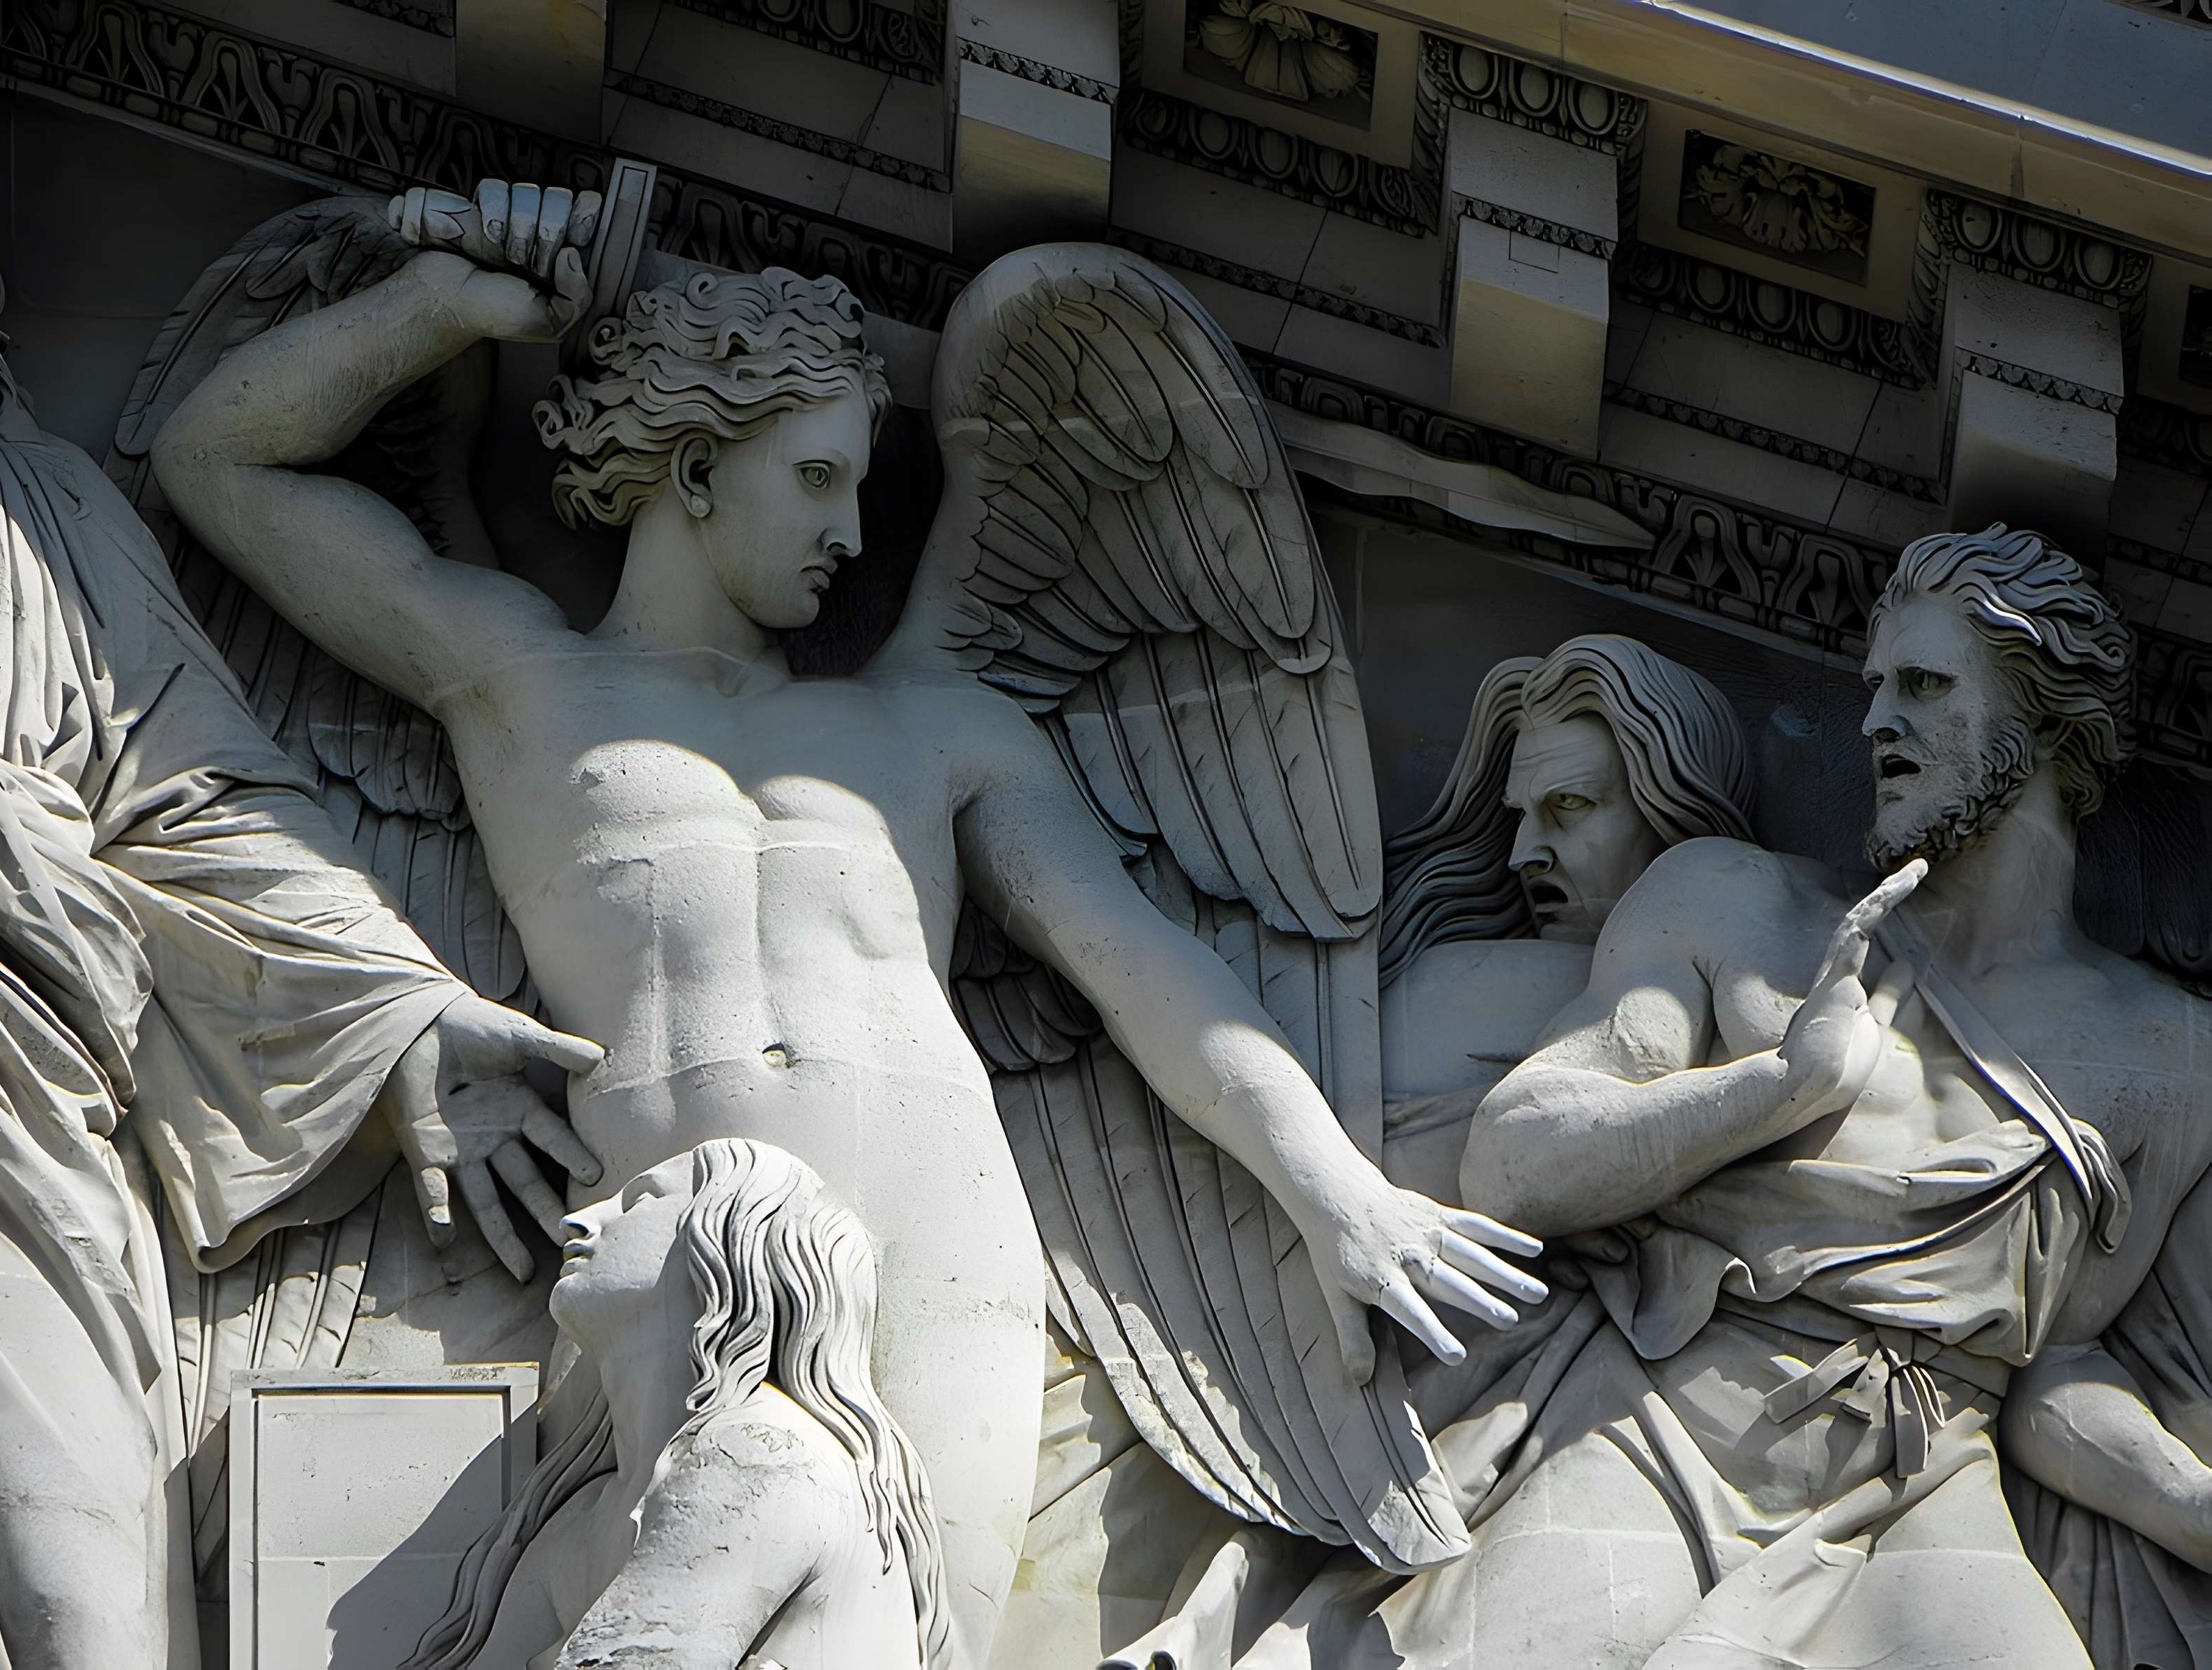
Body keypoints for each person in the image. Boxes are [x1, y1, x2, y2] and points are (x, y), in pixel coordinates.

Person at [148, 192, 1544, 1662]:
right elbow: (214, 457)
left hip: (937, 1233)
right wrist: (452, 305)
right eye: (815, 478)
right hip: (671, 1260)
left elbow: (1153, 975)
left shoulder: (932, 722)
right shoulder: (514, 673)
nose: (852, 530)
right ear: (691, 468)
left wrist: (1338, 1196)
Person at [1217, 526, 2211, 1668]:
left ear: (2049, 723)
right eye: (1875, 686)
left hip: (1927, 1491)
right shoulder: (1735, 907)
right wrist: (1778, 1085)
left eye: (1926, 686)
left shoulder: (2174, 1056)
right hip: (1668, 1437)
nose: (1877, 720)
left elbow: (2062, 1366)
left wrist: (2183, 1500)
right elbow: (1517, 1155)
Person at [0, 243, 602, 1669]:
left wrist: (401, 1017)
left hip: (13, 1100)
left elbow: (189, 797)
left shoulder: (42, 509)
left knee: (81, 1584)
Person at [404, 1138, 946, 1669]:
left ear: (735, 1237)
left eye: (640, 1200)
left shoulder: (765, 1456)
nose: (580, 1221)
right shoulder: (582, 1519)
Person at [1374, 634, 1754, 1202]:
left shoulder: (1750, 995)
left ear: (1673, 809)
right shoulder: (1431, 975)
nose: (1523, 853)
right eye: (1520, 815)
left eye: (1569, 805)